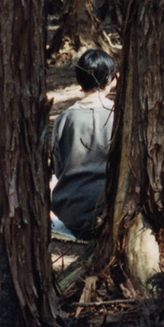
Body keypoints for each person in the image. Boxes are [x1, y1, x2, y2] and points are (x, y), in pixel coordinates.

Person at [51, 48, 117, 239]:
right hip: (109, 210)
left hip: (70, 211)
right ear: (111, 80)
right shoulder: (119, 117)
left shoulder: (65, 118)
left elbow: (58, 166)